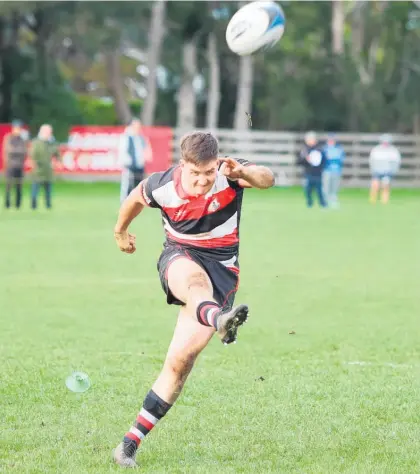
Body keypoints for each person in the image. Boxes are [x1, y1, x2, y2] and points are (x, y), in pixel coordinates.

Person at [112, 131, 274, 468]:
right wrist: (120, 231)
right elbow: (134, 199)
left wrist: (242, 173)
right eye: (195, 173)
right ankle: (219, 321)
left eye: (208, 173)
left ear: (217, 163)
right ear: (182, 164)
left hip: (224, 270)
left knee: (179, 363)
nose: (202, 181)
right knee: (196, 283)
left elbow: (267, 178)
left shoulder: (230, 173)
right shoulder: (163, 185)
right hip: (180, 256)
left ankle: (128, 444)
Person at [118, 118, 152, 203]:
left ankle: (137, 203)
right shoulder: (126, 137)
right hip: (130, 166)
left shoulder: (140, 138)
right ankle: (125, 203)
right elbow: (123, 152)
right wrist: (127, 163)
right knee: (128, 186)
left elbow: (145, 149)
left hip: (139, 165)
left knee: (139, 186)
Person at [30, 124, 60, 210]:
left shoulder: (52, 142)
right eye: (47, 131)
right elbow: (33, 155)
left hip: (48, 170)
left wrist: (57, 161)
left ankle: (48, 205)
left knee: (48, 190)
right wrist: (35, 165)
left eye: (50, 132)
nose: (49, 133)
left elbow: (57, 154)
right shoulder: (36, 142)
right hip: (38, 170)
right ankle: (33, 205)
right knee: (35, 189)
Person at [296, 131, 327, 208]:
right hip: (308, 173)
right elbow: (299, 161)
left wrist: (321, 167)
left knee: (319, 189)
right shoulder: (304, 150)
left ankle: (322, 203)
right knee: (308, 189)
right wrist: (305, 159)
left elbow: (324, 160)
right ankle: (309, 203)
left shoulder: (320, 149)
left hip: (318, 173)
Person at [369, 134, 401, 204]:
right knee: (375, 186)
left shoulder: (393, 150)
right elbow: (372, 161)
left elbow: (396, 162)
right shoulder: (376, 149)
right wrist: (373, 170)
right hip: (377, 171)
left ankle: (384, 201)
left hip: (387, 172)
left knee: (385, 186)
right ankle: (373, 201)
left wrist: (393, 171)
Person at [3, 120, 28, 209]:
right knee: (8, 186)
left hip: (19, 166)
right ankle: (7, 204)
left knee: (19, 186)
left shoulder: (22, 139)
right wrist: (18, 151)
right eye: (16, 128)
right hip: (10, 165)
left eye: (19, 128)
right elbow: (9, 150)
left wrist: (17, 151)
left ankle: (18, 204)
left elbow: (24, 151)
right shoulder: (8, 138)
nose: (18, 130)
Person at [323, 133, 345, 208]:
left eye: (332, 140)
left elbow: (341, 159)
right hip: (327, 170)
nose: (331, 141)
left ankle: (333, 201)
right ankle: (325, 202)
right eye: (330, 140)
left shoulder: (339, 149)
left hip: (336, 170)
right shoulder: (324, 149)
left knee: (335, 187)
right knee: (326, 186)